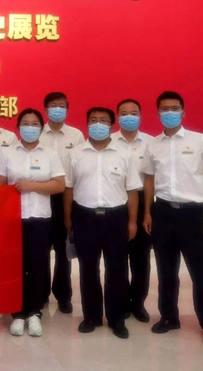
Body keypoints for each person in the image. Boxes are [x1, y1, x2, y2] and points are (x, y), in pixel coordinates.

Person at [142, 91, 203, 347]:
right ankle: (169, 317)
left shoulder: (200, 141)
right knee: (166, 270)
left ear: (183, 112)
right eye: (164, 109)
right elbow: (149, 180)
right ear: (158, 113)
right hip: (163, 212)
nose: (170, 113)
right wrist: (147, 212)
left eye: (174, 108)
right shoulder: (152, 144)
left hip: (193, 213)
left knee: (201, 271)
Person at [64, 107, 141, 339]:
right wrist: (68, 218)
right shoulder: (75, 153)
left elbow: (132, 190)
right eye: (93, 120)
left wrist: (132, 222)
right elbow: (68, 188)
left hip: (116, 217)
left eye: (104, 120)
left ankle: (117, 319)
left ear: (111, 125)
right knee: (88, 268)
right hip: (84, 216)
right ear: (87, 124)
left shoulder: (124, 154)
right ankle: (92, 316)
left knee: (117, 269)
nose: (98, 124)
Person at [0, 108, 65, 337]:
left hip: (40, 217)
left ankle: (34, 312)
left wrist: (31, 186)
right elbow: (0, 186)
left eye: (35, 124)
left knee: (37, 265)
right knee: (15, 265)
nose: (30, 128)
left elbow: (59, 185)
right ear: (18, 127)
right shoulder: (7, 153)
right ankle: (17, 313)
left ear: (41, 128)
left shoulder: (50, 154)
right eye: (26, 123)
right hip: (13, 218)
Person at [39, 92, 84, 313]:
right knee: (40, 249)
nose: (57, 109)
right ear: (45, 109)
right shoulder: (37, 132)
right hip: (41, 195)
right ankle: (41, 294)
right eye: (53, 105)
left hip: (66, 197)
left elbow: (81, 166)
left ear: (67, 109)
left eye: (61, 105)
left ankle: (63, 295)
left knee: (63, 249)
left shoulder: (76, 135)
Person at [111, 98, 153, 323]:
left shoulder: (150, 142)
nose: (129, 117)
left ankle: (138, 303)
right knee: (117, 257)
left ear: (140, 116)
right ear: (117, 117)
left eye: (133, 113)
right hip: (116, 202)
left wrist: (147, 212)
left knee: (140, 258)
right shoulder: (108, 141)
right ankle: (120, 302)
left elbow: (151, 179)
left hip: (143, 202)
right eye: (124, 113)